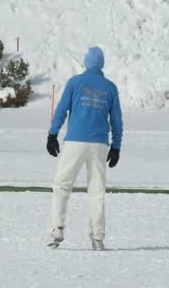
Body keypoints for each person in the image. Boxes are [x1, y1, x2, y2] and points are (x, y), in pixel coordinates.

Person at [46, 46, 123, 251]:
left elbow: (62, 110)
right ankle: (98, 238)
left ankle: (57, 230)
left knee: (62, 185)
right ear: (102, 64)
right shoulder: (110, 87)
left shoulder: (75, 82)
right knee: (97, 191)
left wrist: (53, 133)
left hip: (75, 142)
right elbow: (116, 119)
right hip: (99, 144)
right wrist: (116, 146)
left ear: (86, 62)